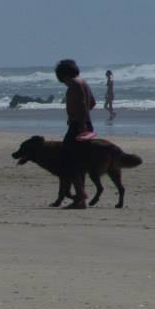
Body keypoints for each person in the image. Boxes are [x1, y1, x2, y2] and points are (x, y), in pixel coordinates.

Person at [55, 59, 96, 209]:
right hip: (85, 124)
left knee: (69, 162)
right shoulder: (83, 82)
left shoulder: (73, 84)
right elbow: (92, 103)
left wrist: (79, 122)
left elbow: (84, 105)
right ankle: (80, 197)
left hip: (78, 126)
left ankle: (80, 198)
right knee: (80, 163)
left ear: (63, 75)